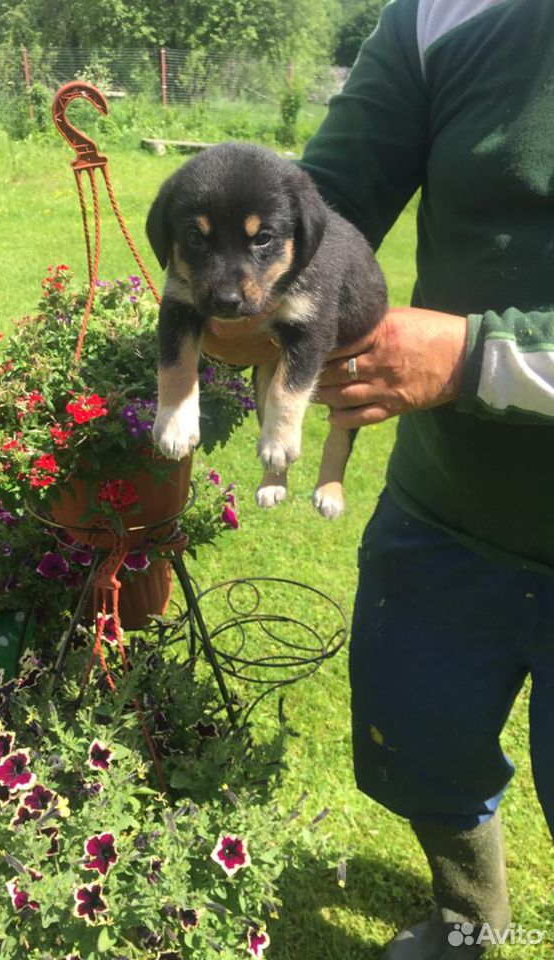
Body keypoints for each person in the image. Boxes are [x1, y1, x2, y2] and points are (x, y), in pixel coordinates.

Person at [205, 1, 554, 956]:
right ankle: (470, 918)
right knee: (418, 742)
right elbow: (322, 205)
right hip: (446, 502)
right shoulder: (446, 10)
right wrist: (230, 302)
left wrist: (483, 358)